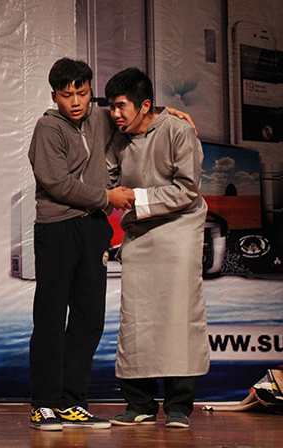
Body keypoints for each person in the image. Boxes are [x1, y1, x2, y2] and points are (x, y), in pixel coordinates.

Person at [27, 58, 135, 431]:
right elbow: (57, 183)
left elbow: (136, 117)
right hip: (57, 228)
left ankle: (73, 403)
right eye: (66, 95)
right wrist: (107, 197)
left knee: (89, 319)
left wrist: (172, 115)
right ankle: (44, 404)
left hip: (92, 228)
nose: (75, 102)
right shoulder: (48, 128)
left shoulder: (101, 118)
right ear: (54, 96)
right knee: (50, 317)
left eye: (82, 93)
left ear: (91, 92)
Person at [104, 68, 209, 428]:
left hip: (179, 229)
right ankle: (140, 403)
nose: (115, 114)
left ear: (145, 105)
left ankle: (179, 405)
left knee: (179, 317)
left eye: (121, 106)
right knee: (136, 320)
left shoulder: (178, 131)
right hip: (139, 234)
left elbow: (187, 189)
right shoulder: (118, 139)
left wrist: (136, 198)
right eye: (112, 107)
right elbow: (107, 182)